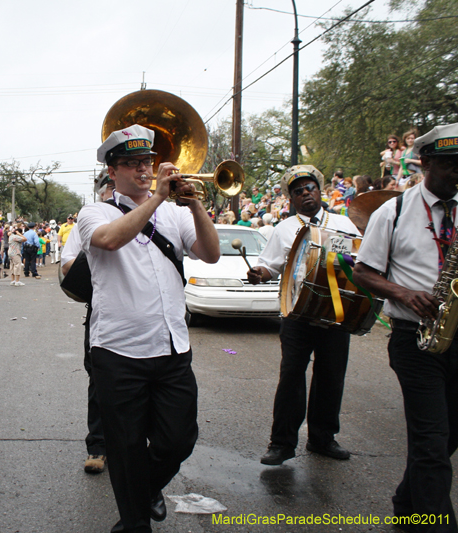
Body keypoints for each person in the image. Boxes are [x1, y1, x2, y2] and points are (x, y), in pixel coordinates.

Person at [76, 124, 219, 532]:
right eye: (134, 164)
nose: (144, 170)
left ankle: (143, 494)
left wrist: (194, 206)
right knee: (125, 448)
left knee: (178, 440)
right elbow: (108, 240)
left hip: (172, 348)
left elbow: (210, 254)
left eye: (148, 162)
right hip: (118, 351)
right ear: (113, 170)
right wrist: (157, 196)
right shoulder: (95, 212)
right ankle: (135, 522)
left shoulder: (176, 211)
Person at [353, 124, 458, 531]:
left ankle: (407, 499)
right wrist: (404, 293)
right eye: (450, 164)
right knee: (431, 444)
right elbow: (363, 271)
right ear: (426, 162)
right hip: (415, 340)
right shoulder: (392, 211)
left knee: (447, 436)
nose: (456, 172)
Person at [247, 165, 359, 466]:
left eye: (310, 188)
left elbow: (359, 259)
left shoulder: (343, 223)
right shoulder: (284, 229)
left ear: (320, 192)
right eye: (298, 191)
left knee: (331, 377)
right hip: (297, 313)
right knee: (291, 377)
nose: (306, 193)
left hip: (336, 312)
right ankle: (282, 443)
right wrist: (260, 272)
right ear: (291, 199)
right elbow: (270, 265)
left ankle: (323, 438)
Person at [62, 169, 115, 474]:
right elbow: (69, 263)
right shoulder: (90, 219)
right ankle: (98, 446)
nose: (110, 195)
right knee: (99, 379)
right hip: (102, 310)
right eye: (107, 190)